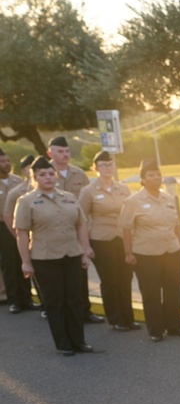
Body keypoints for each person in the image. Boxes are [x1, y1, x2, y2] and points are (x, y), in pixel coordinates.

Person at [14, 156, 94, 356]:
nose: (48, 177)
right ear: (34, 177)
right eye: (42, 174)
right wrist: (26, 262)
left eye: (51, 173)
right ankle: (63, 343)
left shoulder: (68, 197)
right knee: (55, 301)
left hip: (72, 254)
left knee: (75, 299)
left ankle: (79, 341)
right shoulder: (26, 201)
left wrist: (85, 251)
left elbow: (81, 223)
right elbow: (21, 232)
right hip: (45, 258)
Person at [119, 159, 180, 342]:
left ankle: (175, 325)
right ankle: (156, 330)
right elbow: (126, 228)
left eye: (158, 174)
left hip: (171, 250)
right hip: (146, 253)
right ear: (142, 179)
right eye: (151, 175)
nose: (156, 178)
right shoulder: (133, 201)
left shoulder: (168, 198)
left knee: (173, 288)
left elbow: (176, 224)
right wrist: (128, 252)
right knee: (151, 291)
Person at [79, 151, 139, 332]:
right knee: (110, 280)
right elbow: (81, 219)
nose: (107, 168)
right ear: (95, 168)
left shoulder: (123, 188)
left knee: (125, 278)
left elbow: (130, 215)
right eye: (103, 165)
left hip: (122, 239)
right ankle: (116, 319)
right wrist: (85, 247)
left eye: (110, 164)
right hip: (101, 240)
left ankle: (129, 318)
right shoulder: (88, 191)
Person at [47, 136, 104, 324]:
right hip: (53, 232)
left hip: (77, 230)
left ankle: (84, 311)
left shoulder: (79, 173)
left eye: (67, 151)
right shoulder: (44, 173)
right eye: (60, 151)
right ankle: (63, 312)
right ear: (50, 153)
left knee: (81, 272)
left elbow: (90, 202)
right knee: (58, 277)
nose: (64, 155)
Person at [0, 149, 37, 313]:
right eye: (2, 162)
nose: (6, 164)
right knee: (9, 263)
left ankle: (27, 298)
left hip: (21, 225)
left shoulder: (18, 181)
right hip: (2, 227)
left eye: (8, 161)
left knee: (24, 260)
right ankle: (13, 300)